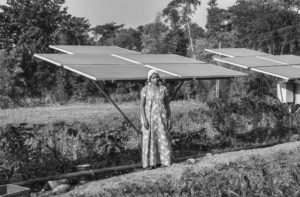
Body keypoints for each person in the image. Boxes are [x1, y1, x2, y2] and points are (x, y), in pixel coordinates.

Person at [140, 69, 172, 169]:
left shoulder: (163, 89)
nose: (155, 79)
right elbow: (142, 106)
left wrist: (169, 119)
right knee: (149, 140)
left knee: (162, 138)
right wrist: (144, 119)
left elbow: (167, 105)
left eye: (157, 77)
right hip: (149, 120)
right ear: (149, 79)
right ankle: (150, 163)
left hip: (161, 119)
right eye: (153, 77)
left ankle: (164, 161)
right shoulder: (145, 89)